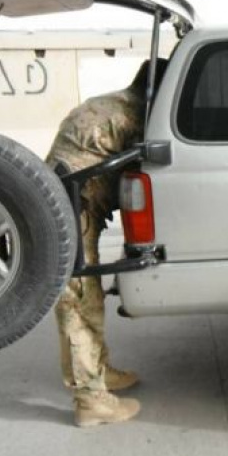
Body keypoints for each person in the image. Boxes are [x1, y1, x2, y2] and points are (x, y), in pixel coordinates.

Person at [46, 59, 166, 427]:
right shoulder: (136, 118)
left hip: (60, 202)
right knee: (78, 303)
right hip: (72, 210)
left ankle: (99, 372)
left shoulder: (106, 103)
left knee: (86, 298)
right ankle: (90, 400)